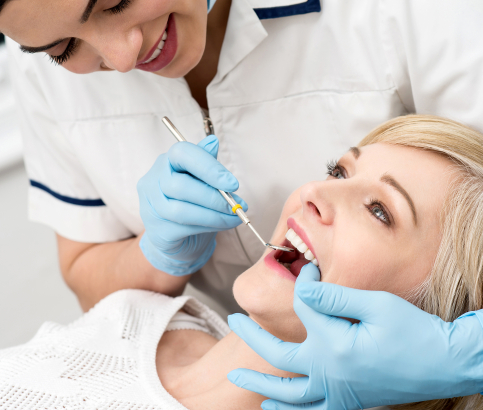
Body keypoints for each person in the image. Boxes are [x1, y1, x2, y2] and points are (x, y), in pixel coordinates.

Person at [2, 0, 483, 406]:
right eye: (61, 49)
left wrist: (462, 355)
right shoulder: (127, 333)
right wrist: (155, 256)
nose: (121, 57)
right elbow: (86, 266)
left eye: (116, 2)